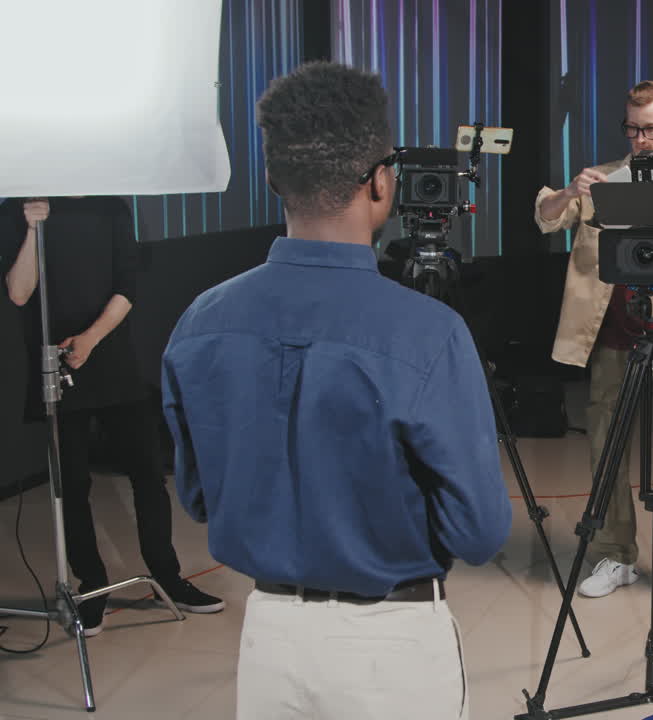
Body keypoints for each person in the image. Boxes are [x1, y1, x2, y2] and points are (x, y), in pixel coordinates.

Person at [161, 61, 511, 720]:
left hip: (267, 644)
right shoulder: (430, 334)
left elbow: (200, 496)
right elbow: (479, 534)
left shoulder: (199, 322)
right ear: (381, 182)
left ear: (272, 180)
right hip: (396, 647)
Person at [534, 80, 653, 605]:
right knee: (606, 449)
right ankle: (617, 555)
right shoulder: (602, 181)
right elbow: (546, 218)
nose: (642, 140)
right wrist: (573, 193)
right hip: (613, 340)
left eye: (652, 130)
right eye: (633, 129)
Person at [1, 196, 224, 637]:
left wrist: (90, 339)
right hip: (56, 362)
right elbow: (19, 292)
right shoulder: (23, 209)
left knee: (146, 473)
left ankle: (168, 576)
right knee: (73, 482)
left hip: (110, 358)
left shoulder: (112, 208)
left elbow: (127, 288)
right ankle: (92, 588)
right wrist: (32, 229)